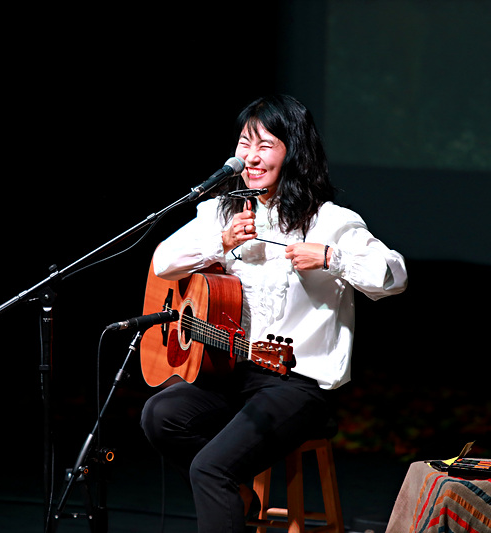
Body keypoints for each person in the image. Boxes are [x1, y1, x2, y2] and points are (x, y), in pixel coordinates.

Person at [139, 95, 408, 533]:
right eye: (245, 144)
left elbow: (394, 276)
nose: (250, 156)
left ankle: (225, 486)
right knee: (160, 415)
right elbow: (163, 262)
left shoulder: (330, 221)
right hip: (233, 373)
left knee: (209, 468)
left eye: (265, 145)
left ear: (293, 152)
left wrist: (332, 258)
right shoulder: (223, 212)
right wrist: (220, 243)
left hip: (297, 385)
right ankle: (236, 493)